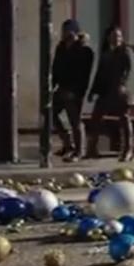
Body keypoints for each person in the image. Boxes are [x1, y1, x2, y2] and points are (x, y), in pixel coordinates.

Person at [86, 25, 134, 162]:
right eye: (114, 36)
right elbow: (99, 74)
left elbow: (128, 69)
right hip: (105, 91)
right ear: (108, 38)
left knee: (124, 118)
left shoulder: (125, 51)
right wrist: (92, 91)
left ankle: (128, 150)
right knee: (95, 118)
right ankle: (92, 148)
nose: (116, 39)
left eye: (119, 36)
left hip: (119, 90)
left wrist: (122, 84)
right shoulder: (105, 53)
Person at [51, 19, 95, 162]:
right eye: (64, 30)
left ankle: (78, 151)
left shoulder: (85, 50)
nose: (65, 33)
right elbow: (55, 68)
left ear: (75, 32)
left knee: (75, 120)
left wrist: (78, 92)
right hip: (61, 88)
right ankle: (67, 143)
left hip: (75, 91)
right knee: (49, 113)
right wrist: (52, 86)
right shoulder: (61, 48)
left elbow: (84, 75)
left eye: (69, 30)